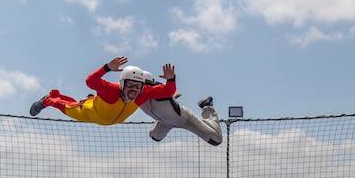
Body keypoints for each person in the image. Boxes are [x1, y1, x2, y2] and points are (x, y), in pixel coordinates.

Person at [29, 57, 175, 125]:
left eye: (138, 86)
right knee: (67, 107)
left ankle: (88, 99)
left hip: (104, 115)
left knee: (76, 103)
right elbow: (90, 81)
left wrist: (171, 78)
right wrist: (106, 68)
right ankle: (49, 99)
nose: (134, 90)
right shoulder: (112, 90)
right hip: (90, 113)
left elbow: (168, 91)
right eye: (130, 85)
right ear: (122, 83)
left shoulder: (143, 93)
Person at [136, 70, 223, 146]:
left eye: (138, 84)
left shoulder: (153, 89)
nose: (135, 88)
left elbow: (161, 87)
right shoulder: (133, 95)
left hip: (184, 118)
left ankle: (207, 106)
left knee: (216, 140)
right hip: (165, 121)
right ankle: (172, 98)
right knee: (155, 137)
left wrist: (170, 79)